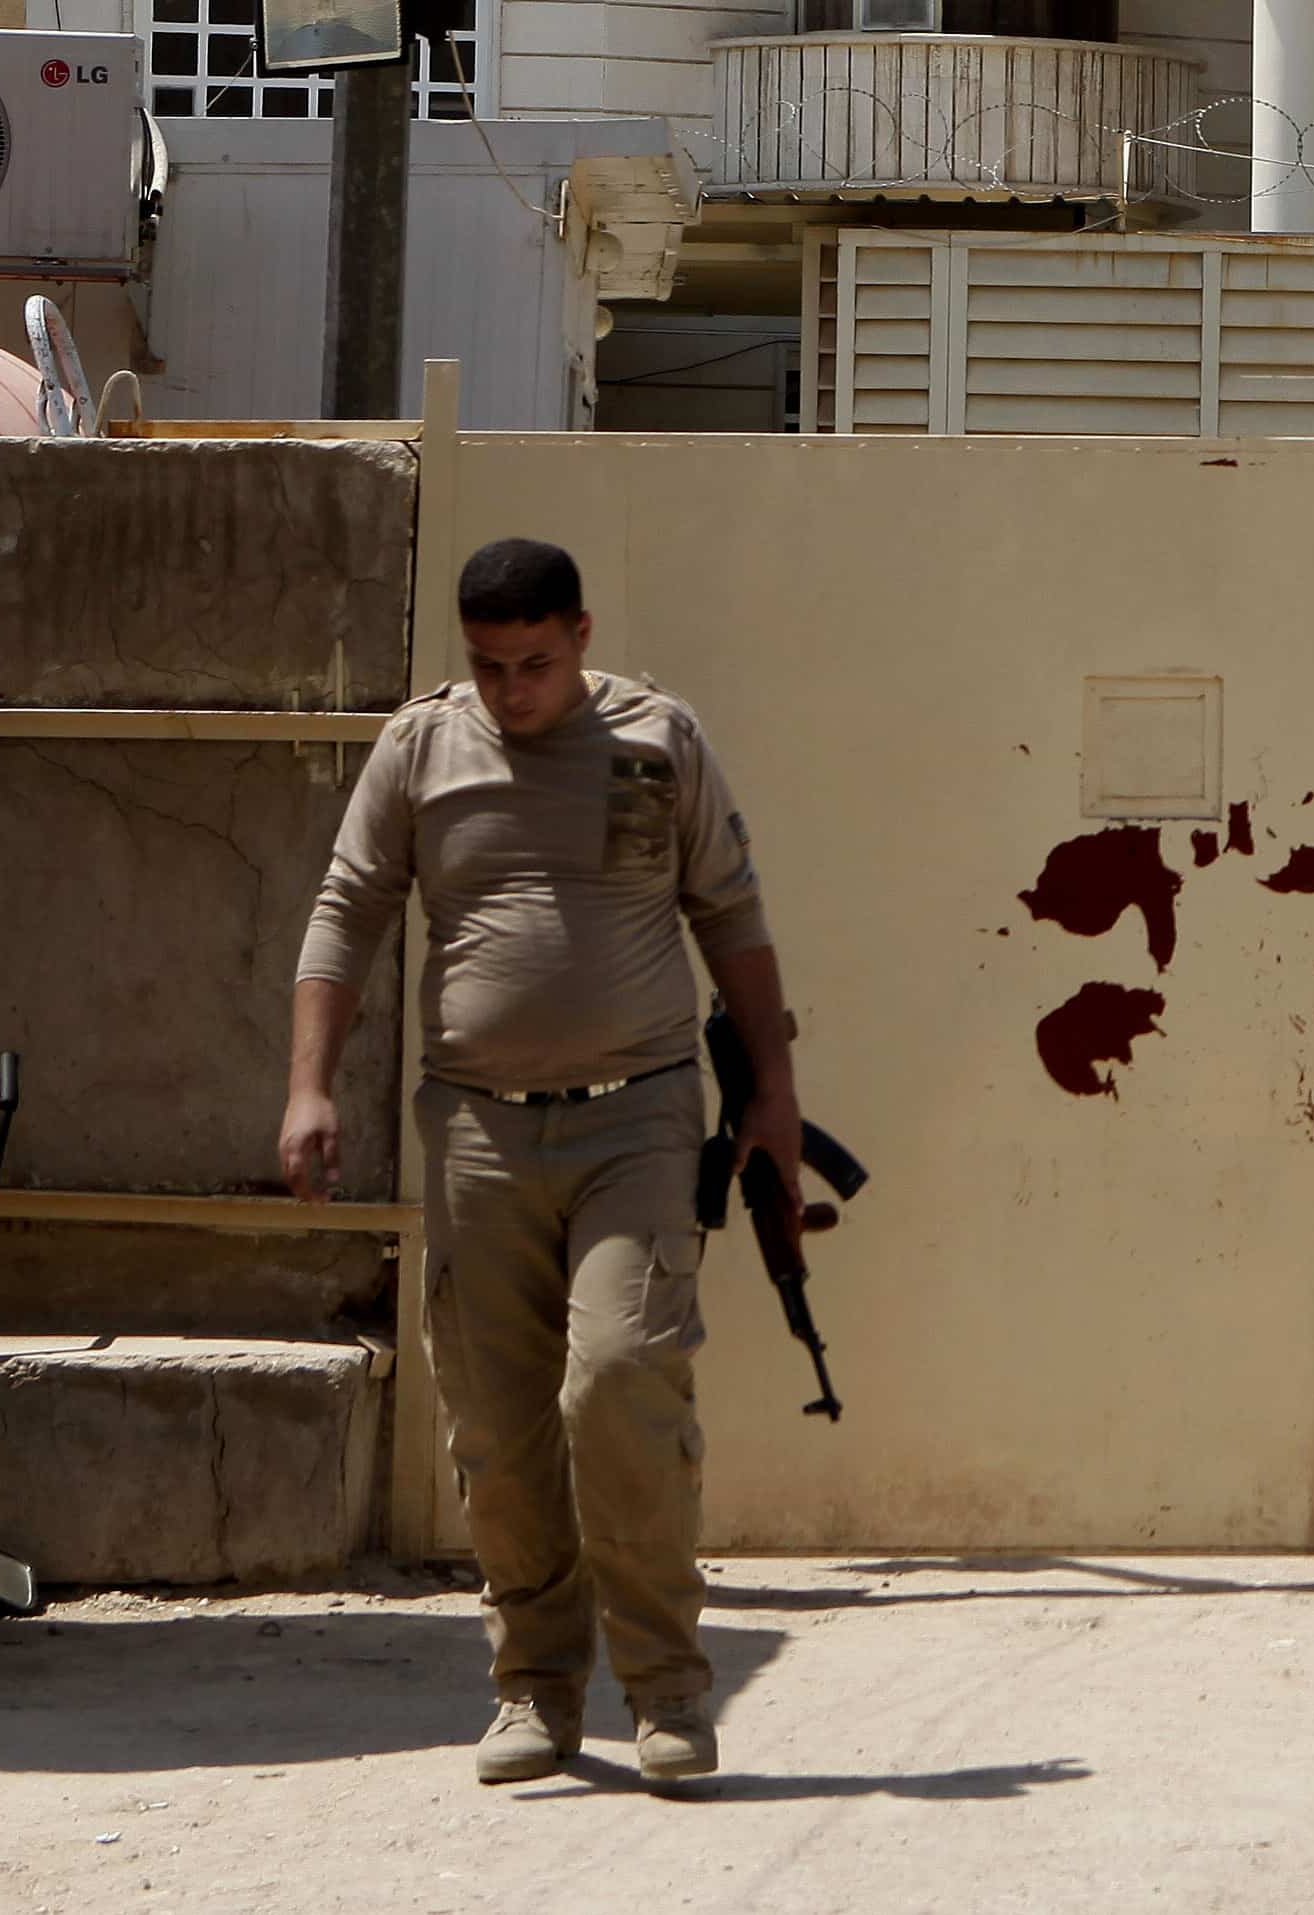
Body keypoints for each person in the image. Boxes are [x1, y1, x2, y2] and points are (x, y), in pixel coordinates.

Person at [281, 536, 806, 1793]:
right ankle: (534, 1691)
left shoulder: (655, 742)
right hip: (474, 1129)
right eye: (489, 666)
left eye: (533, 662)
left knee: (621, 1381)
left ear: (579, 633)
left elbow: (728, 915)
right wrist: (307, 1085)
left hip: (638, 1115)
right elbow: (350, 906)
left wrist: (775, 1097)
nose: (512, 691)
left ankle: (671, 1690)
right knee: (500, 1428)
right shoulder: (423, 746)